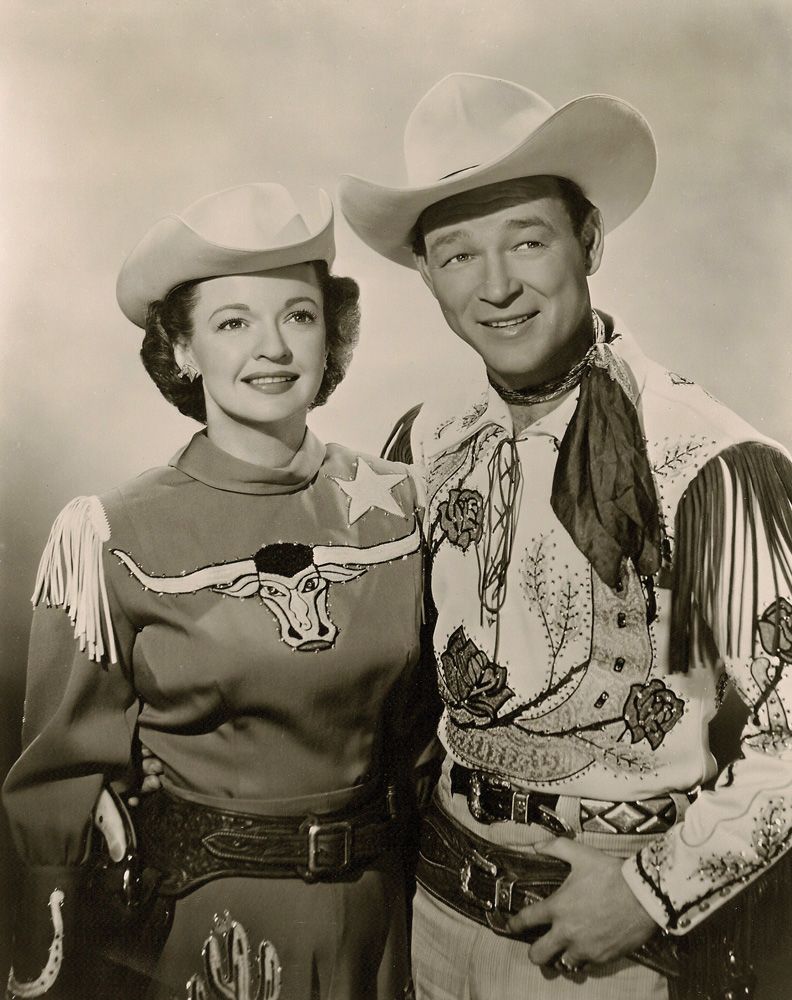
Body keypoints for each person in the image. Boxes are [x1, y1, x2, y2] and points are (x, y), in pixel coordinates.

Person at [337, 73, 792, 999]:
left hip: (608, 942)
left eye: (528, 240)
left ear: (588, 241)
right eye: (458, 255)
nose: (496, 286)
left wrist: (652, 893)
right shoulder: (423, 441)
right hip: (436, 904)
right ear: (426, 274)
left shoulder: (709, 462)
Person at [3, 182, 435, 1000]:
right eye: (233, 323)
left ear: (331, 335)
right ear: (183, 349)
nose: (272, 348)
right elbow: (57, 788)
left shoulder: (403, 504)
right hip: (213, 930)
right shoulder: (111, 533)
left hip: (389, 923)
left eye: (298, 315)